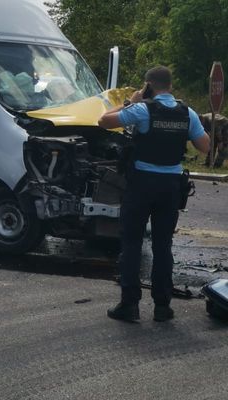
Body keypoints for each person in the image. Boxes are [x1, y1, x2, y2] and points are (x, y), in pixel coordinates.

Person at [98, 66, 210, 322]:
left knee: (132, 242)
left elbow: (104, 121)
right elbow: (204, 147)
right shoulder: (188, 113)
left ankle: (130, 305)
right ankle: (162, 307)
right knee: (163, 245)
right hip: (171, 186)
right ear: (170, 86)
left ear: (148, 85)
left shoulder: (142, 110)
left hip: (142, 184)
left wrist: (130, 102)